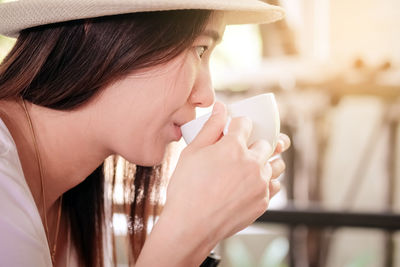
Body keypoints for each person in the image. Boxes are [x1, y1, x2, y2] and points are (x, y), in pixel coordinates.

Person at [0, 1, 290, 266]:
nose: (206, 96)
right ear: (98, 30)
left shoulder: (75, 196)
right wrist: (190, 229)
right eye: (200, 49)